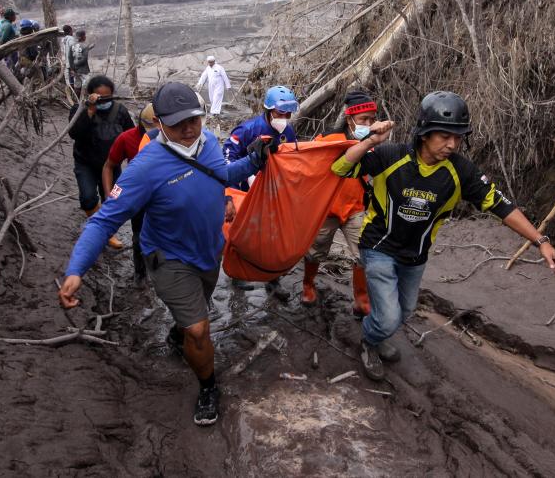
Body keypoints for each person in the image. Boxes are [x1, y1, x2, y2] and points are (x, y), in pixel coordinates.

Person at [58, 82, 273, 426]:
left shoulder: (210, 144)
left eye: (194, 119)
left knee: (192, 319)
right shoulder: (146, 167)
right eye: (177, 123)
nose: (188, 129)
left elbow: (223, 175)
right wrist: (76, 269)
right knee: (200, 330)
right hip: (169, 258)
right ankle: (207, 387)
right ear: (158, 121)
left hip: (208, 251)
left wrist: (254, 159)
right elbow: (103, 221)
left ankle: (179, 331)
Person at [332, 91, 555, 381]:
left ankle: (378, 329)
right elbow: (340, 167)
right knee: (389, 317)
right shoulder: (389, 156)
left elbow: (500, 205)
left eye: (458, 137)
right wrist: (369, 141)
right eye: (444, 136)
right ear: (424, 132)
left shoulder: (461, 171)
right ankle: (370, 339)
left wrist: (541, 241)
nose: (452, 144)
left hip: (415, 256)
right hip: (378, 247)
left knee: (404, 312)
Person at [301, 89, 377, 317]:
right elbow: (305, 164)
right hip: (327, 208)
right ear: (349, 119)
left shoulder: (372, 143)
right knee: (315, 252)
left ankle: (361, 299)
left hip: (355, 208)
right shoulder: (327, 141)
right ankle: (308, 284)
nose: (368, 123)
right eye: (364, 119)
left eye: (372, 119)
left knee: (362, 254)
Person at [222, 85, 299, 299]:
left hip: (274, 192)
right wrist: (234, 188)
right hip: (245, 191)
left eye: (288, 113)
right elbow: (227, 159)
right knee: (243, 234)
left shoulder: (288, 132)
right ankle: (237, 274)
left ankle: (273, 280)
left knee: (274, 236)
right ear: (268, 110)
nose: (284, 117)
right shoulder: (247, 130)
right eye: (280, 113)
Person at [68, 76, 134, 250]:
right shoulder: (79, 109)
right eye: (99, 97)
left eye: (107, 97)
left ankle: (105, 232)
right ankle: (100, 226)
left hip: (113, 166)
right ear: (90, 95)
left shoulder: (120, 111)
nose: (103, 101)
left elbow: (131, 136)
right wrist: (89, 110)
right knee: (88, 198)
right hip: (86, 163)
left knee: (113, 200)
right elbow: (74, 133)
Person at [101, 103, 157, 287]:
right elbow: (109, 166)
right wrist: (110, 196)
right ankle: (140, 273)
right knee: (138, 235)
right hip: (139, 196)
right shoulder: (126, 138)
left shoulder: (170, 137)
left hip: (163, 195)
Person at [70, 29, 93, 94]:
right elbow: (84, 59)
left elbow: (70, 57)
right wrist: (76, 65)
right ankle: (85, 100)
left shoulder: (72, 45)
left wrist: (72, 68)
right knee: (87, 85)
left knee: (77, 85)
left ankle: (77, 101)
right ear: (82, 37)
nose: (85, 37)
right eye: (84, 35)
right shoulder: (85, 46)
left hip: (75, 70)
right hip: (84, 70)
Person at [60, 25, 76, 93]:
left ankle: (72, 94)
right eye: (72, 31)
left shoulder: (64, 40)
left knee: (70, 79)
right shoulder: (71, 39)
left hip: (67, 63)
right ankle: (76, 95)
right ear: (70, 31)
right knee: (76, 80)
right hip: (72, 63)